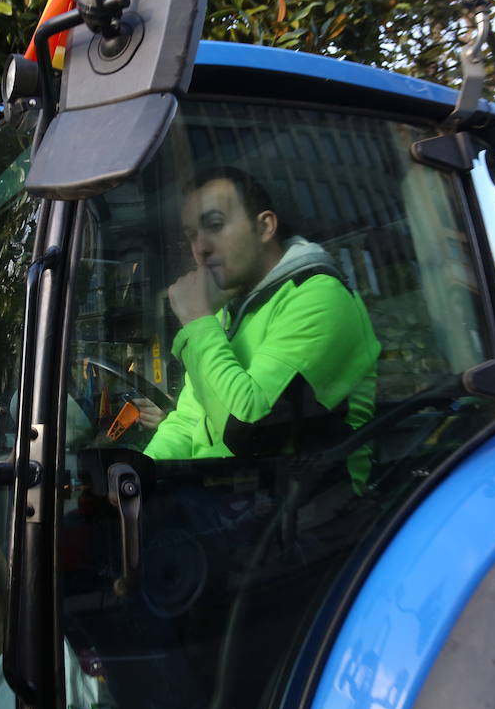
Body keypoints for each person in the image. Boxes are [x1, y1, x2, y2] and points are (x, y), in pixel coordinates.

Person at [142, 167, 380, 487]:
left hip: (309, 511)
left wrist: (197, 321)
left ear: (265, 227)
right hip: (227, 494)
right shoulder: (226, 313)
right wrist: (141, 476)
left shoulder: (318, 296)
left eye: (214, 225)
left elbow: (251, 430)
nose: (201, 248)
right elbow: (189, 420)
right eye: (192, 235)